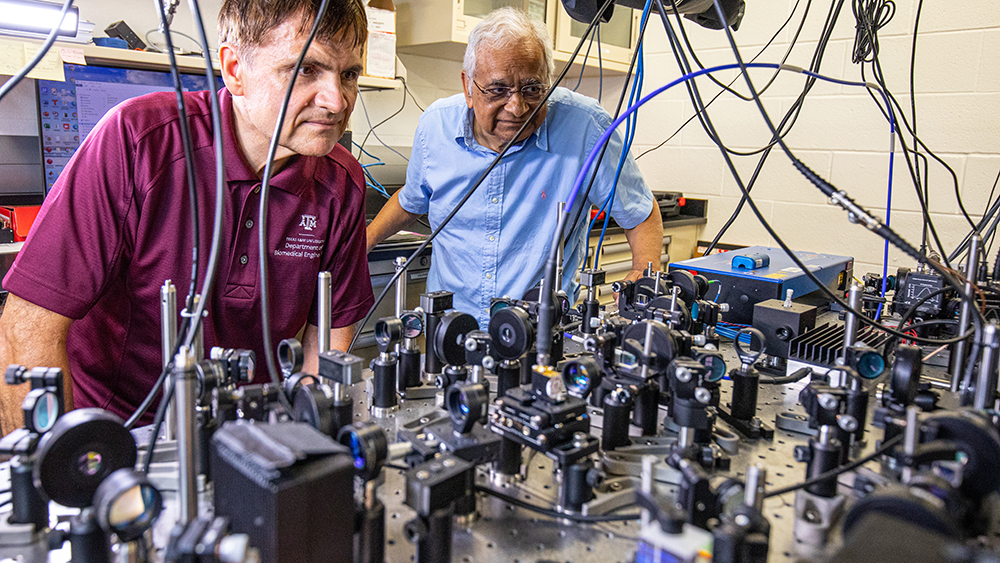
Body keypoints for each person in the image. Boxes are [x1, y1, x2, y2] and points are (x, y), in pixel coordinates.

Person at [0, 0, 375, 434]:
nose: (336, 100)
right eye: (306, 70)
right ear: (235, 70)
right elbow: (30, 328)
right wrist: (61, 474)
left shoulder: (341, 180)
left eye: (349, 74)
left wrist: (308, 438)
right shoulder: (138, 142)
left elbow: (326, 340)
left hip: (251, 431)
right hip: (120, 434)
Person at [366, 7, 662, 328]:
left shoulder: (587, 128)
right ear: (468, 86)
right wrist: (360, 246)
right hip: (450, 327)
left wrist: (643, 270)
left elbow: (639, 213)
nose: (517, 107)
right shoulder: (435, 126)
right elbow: (411, 202)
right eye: (498, 89)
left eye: (533, 89)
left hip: (540, 330)